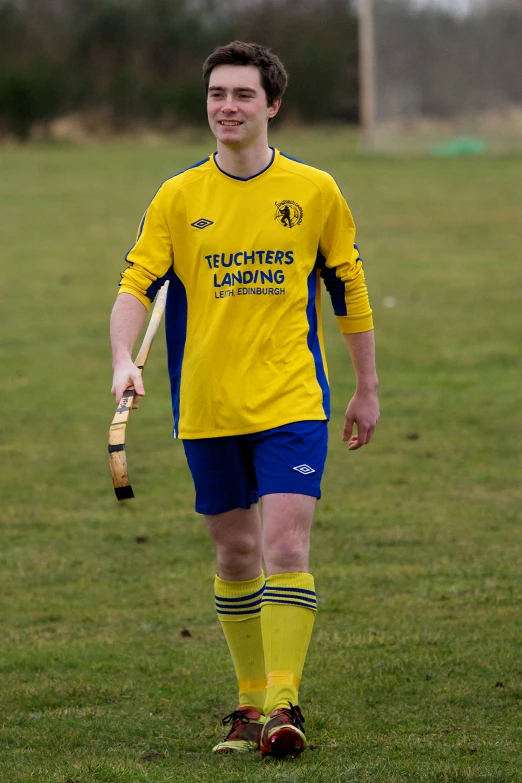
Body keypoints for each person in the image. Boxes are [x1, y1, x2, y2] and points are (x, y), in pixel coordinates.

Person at [110, 40, 379, 759]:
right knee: (234, 554)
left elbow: (348, 291)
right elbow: (136, 285)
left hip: (292, 398)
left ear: (273, 105)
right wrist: (119, 361)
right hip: (206, 406)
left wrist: (367, 387)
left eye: (243, 96)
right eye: (217, 95)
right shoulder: (178, 196)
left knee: (284, 542)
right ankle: (248, 700)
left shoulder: (315, 190)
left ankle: (284, 704)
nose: (227, 107)